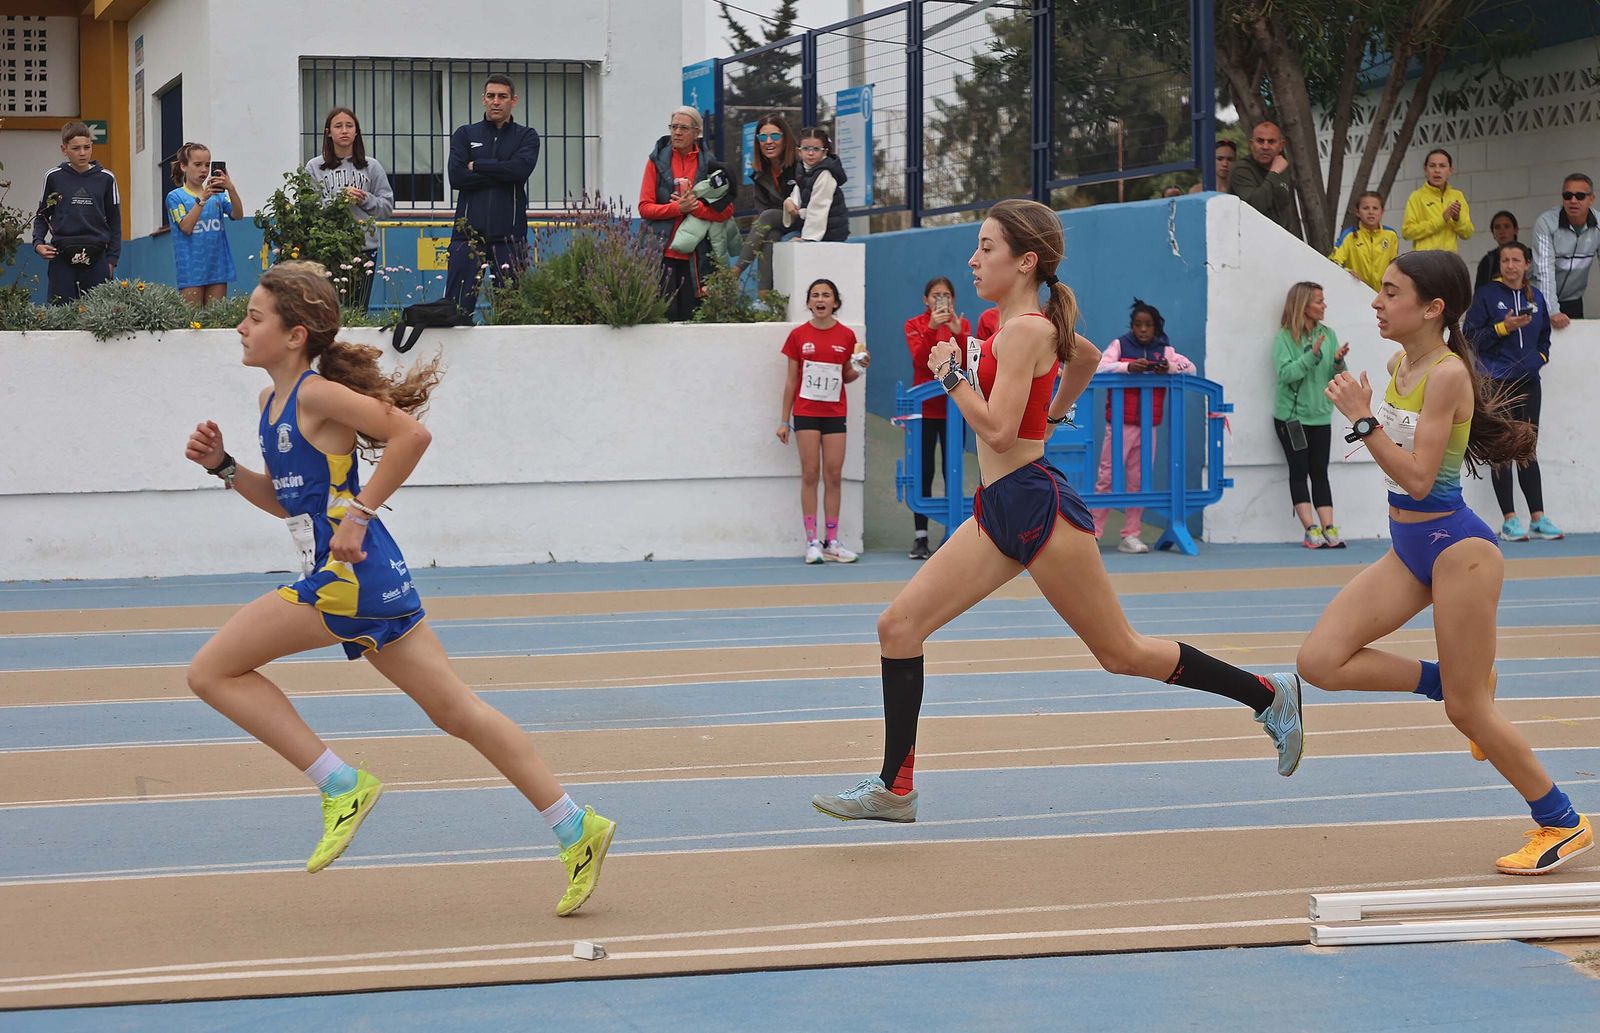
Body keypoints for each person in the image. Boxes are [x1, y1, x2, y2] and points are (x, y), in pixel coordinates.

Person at [810, 199, 1304, 824]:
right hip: (997, 509)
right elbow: (1089, 357)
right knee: (898, 628)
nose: (973, 258)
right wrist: (1054, 412)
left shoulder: (1026, 332)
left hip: (1038, 508)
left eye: (986, 247)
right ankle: (895, 787)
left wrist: (952, 375)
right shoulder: (1014, 327)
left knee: (1122, 652)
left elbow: (993, 431)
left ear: (1025, 262)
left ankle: (1266, 693)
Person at [181, 261, 615, 913]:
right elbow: (288, 504)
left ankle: (340, 783)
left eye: (255, 317)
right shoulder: (272, 404)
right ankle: (576, 826)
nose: (241, 327)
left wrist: (359, 512)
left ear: (295, 334)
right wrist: (224, 467)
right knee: (456, 711)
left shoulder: (314, 395)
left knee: (211, 671)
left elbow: (412, 434)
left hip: (345, 578)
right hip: (369, 574)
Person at [1302, 249, 1590, 876]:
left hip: (1459, 552)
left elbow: (1419, 477)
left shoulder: (1449, 373)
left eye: (1390, 292)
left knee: (1469, 712)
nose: (1377, 302)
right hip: (1410, 550)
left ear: (1432, 308)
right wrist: (1372, 412)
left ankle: (1561, 822)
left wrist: (1362, 420)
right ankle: (1449, 679)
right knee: (1319, 662)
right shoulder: (1400, 361)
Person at [1464, 241, 1561, 542]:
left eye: (1516, 260)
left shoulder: (1537, 296)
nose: (1510, 266)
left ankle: (1538, 517)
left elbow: (1544, 337)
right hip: (1496, 384)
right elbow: (1470, 337)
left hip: (1528, 382)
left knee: (1527, 448)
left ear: (1526, 265)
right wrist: (1502, 328)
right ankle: (1509, 520)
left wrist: (1539, 360)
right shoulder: (1486, 296)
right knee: (1502, 450)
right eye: (1505, 260)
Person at [1091, 298, 1196, 553]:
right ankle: (1093, 533)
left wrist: (1168, 368)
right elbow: (1099, 367)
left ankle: (1131, 534)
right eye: (1138, 325)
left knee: (1138, 481)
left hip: (1149, 426)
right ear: (1132, 326)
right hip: (1119, 424)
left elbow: (1190, 368)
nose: (1143, 330)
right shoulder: (1120, 344)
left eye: (1148, 325)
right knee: (1106, 478)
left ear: (1156, 327)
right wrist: (1127, 367)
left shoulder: (1165, 350)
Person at [777, 278, 866, 563]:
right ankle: (811, 541)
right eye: (815, 295)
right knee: (810, 473)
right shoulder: (798, 336)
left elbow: (847, 376)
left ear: (835, 302)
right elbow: (791, 381)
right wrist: (783, 421)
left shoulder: (847, 336)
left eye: (826, 295)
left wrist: (860, 367)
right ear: (808, 303)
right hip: (805, 413)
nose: (820, 299)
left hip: (834, 413)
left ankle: (833, 540)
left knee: (834, 475)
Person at [445, 74, 540, 318]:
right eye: (491, 96)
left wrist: (477, 166)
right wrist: (502, 170)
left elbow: (520, 170)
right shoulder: (465, 134)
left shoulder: (526, 136)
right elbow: (456, 177)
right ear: (483, 100)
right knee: (456, 313)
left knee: (510, 314)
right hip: (467, 238)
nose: (496, 101)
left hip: (509, 239)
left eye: (502, 96)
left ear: (514, 100)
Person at [1273, 281, 1351, 549]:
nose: (1324, 305)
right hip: (1292, 419)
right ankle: (1311, 529)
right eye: (1319, 301)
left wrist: (1338, 360)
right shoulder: (1285, 338)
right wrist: (1311, 356)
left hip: (1321, 416)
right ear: (1303, 305)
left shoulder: (1328, 334)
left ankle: (1329, 527)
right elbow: (1285, 374)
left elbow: (1338, 376)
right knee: (1299, 471)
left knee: (1320, 472)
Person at [639, 105, 732, 321]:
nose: (677, 132)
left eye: (683, 128)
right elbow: (644, 207)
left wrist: (695, 207)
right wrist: (677, 208)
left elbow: (726, 211)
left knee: (694, 318)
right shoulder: (655, 162)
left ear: (697, 132)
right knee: (662, 317)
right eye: (674, 127)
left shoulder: (712, 164)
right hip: (661, 254)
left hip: (698, 256)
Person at [903, 276, 972, 560]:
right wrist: (932, 327)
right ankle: (921, 536)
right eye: (935, 295)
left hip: (955, 410)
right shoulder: (914, 325)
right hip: (924, 411)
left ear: (953, 299)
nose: (940, 300)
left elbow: (970, 362)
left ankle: (953, 532)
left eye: (945, 295)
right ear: (926, 299)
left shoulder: (962, 324)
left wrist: (960, 334)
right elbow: (920, 361)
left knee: (952, 469)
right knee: (925, 471)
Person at [305, 107, 395, 312]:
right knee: (325, 310)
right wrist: (338, 200)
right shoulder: (314, 167)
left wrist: (365, 199)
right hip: (326, 248)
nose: (344, 131)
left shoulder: (371, 166)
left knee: (357, 310)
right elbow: (309, 209)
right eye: (338, 126)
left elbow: (386, 208)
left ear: (356, 132)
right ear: (328, 132)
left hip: (363, 248)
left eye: (349, 126)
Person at [32, 121, 120, 303]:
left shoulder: (106, 178)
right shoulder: (54, 176)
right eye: (76, 148)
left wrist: (111, 259)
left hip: (97, 258)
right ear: (64, 149)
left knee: (98, 316)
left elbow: (114, 221)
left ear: (91, 147)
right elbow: (42, 215)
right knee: (60, 314)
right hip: (62, 256)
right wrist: (38, 243)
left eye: (87, 147)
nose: (82, 153)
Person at [166, 141, 243, 308]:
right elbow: (186, 228)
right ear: (184, 167)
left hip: (218, 267)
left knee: (216, 320)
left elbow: (237, 215)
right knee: (191, 321)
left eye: (207, 165)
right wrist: (202, 199)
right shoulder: (175, 197)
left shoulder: (218, 195)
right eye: (197, 164)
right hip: (191, 269)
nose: (204, 170)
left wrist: (230, 188)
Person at [734, 114, 798, 291]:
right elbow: (763, 209)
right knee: (770, 236)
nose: (768, 141)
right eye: (763, 137)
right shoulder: (760, 174)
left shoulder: (799, 164)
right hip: (779, 222)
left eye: (775, 136)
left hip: (803, 217)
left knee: (768, 218)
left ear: (785, 139)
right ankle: (765, 299)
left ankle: (735, 272)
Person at [1531, 173, 1598, 325]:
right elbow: (1544, 271)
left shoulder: (1599, 225)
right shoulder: (1546, 223)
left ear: (1591, 199)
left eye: (1580, 196)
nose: (1573, 201)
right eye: (1568, 196)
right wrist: (1552, 310)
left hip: (1573, 300)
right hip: (1538, 298)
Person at [1230, 121, 1301, 238]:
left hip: (1279, 241)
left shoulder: (1283, 168)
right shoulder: (1241, 169)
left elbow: (1285, 211)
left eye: (1271, 141)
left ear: (1281, 146)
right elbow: (1255, 207)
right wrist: (1274, 173)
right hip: (1251, 242)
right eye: (1260, 141)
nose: (1265, 147)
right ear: (1251, 144)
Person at [1402, 149, 1473, 254]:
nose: (1437, 170)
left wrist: (1458, 219)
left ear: (1450, 170)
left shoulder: (1457, 196)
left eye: (1442, 166)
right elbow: (1407, 232)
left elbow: (1467, 233)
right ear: (1425, 170)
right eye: (1432, 166)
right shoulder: (1416, 197)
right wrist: (1441, 220)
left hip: (1449, 261)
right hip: (1425, 261)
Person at [784, 127, 849, 242]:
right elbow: (799, 192)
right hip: (809, 227)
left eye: (816, 149)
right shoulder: (803, 169)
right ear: (799, 151)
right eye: (806, 148)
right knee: (778, 238)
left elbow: (819, 208)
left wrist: (808, 239)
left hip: (830, 233)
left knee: (787, 244)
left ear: (824, 152)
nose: (810, 153)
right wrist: (789, 202)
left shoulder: (826, 173)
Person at [1328, 191, 1399, 291]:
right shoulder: (1349, 235)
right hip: (1357, 293)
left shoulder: (1390, 235)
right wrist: (1347, 271)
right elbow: (1334, 261)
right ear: (1357, 212)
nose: (1371, 212)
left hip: (1383, 294)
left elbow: (1394, 265)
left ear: (1382, 211)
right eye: (1365, 208)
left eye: (1375, 208)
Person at [1474, 210, 1519, 293]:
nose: (1502, 231)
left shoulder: (1528, 255)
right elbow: (1479, 294)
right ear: (1493, 233)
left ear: (1516, 230)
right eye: (1497, 227)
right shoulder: (1487, 261)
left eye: (1506, 226)